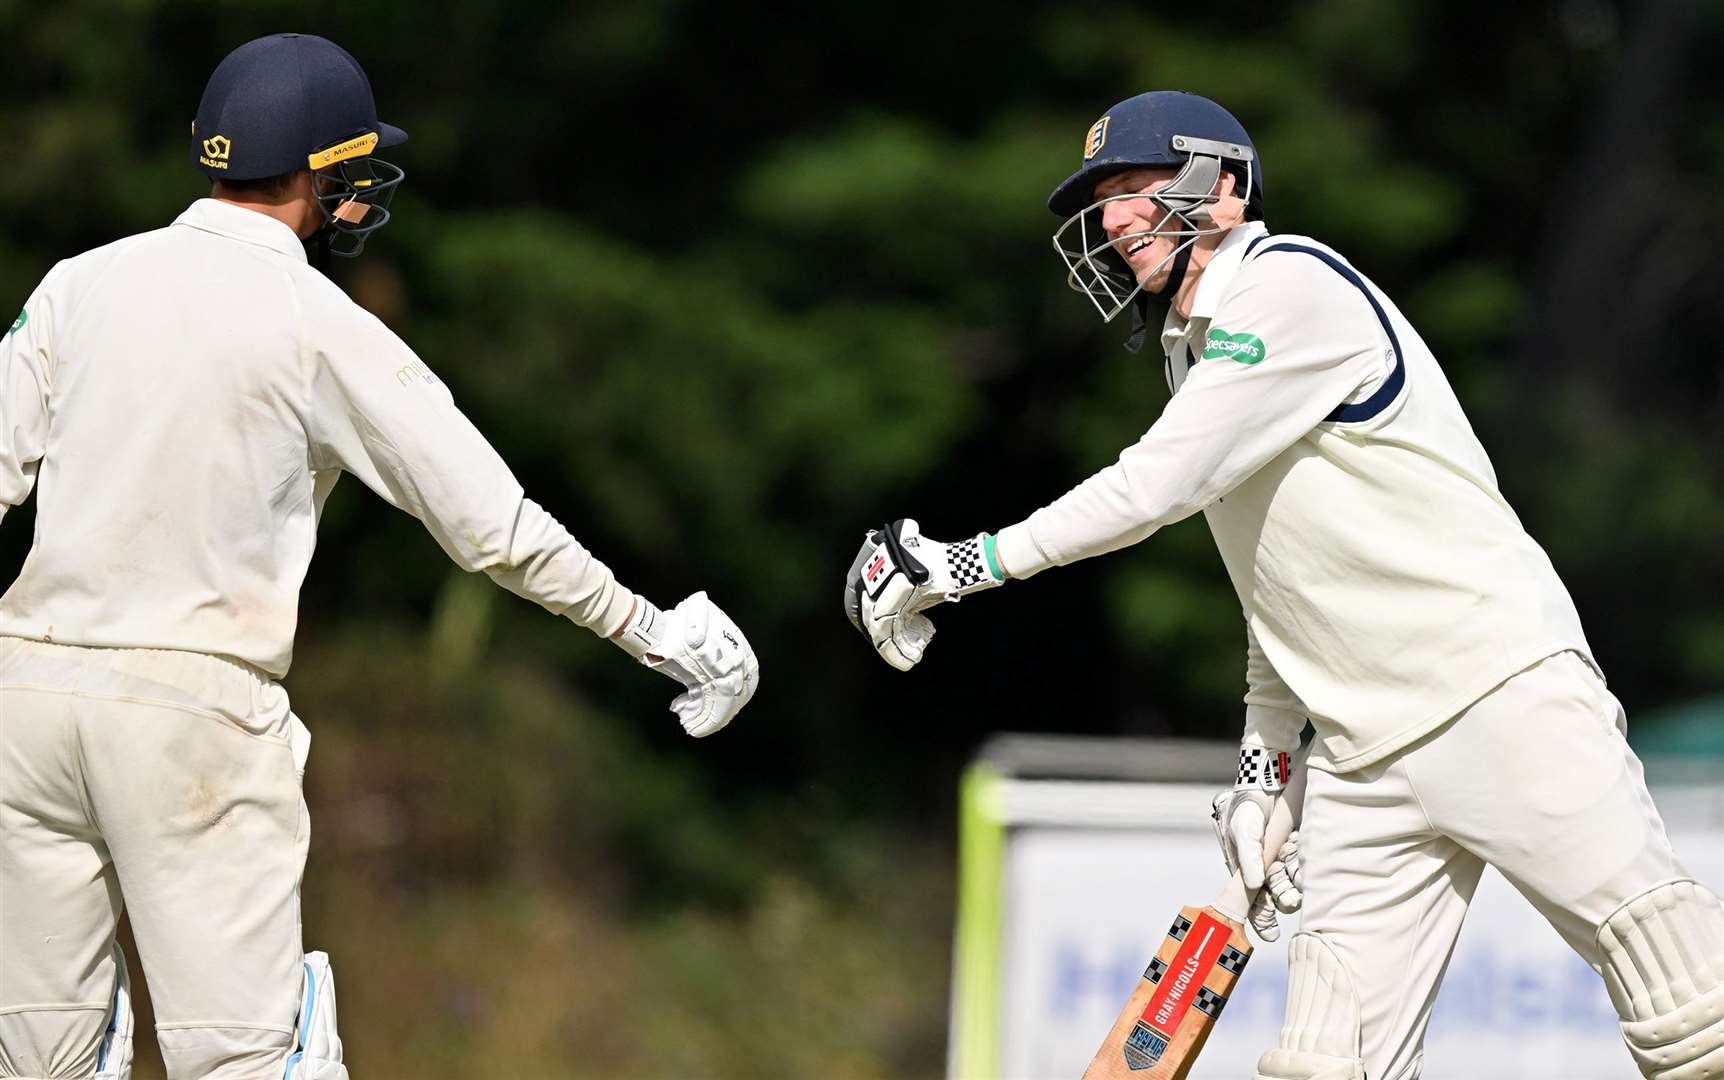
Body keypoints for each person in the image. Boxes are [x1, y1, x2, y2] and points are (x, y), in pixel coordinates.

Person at [845, 90, 1724, 1080]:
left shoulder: (1287, 290)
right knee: (1324, 1069)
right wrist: (1264, 768)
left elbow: (1153, 487)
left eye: (1133, 189)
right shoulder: (1194, 357)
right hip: (1361, 756)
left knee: (1690, 1021)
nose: (1113, 220)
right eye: (1103, 202)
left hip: (1495, 691)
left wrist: (964, 565)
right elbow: (1274, 582)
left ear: (1218, 184)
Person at [0, 32, 758, 1080]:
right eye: (352, 169)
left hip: (25, 698)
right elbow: (491, 525)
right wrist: (648, 629)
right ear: (317, 171)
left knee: (40, 1064)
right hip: (195, 715)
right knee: (253, 1064)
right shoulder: (315, 318)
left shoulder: (79, 284)